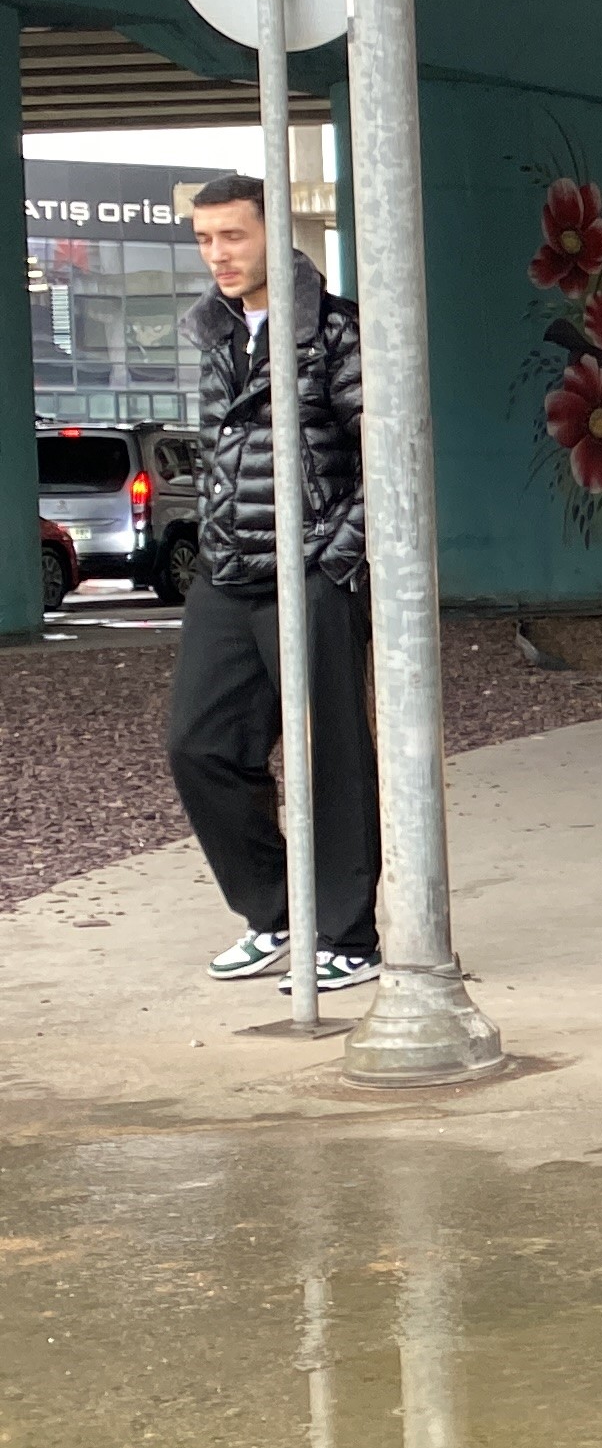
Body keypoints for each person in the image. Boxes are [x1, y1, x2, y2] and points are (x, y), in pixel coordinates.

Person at [165, 173, 381, 998]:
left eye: (233, 236)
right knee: (200, 745)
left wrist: (336, 554)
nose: (218, 254)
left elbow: (383, 452)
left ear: (274, 233)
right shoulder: (216, 333)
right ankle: (276, 913)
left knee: (331, 754)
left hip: (313, 569)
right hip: (230, 572)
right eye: (205, 239)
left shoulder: (335, 331)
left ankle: (347, 938)